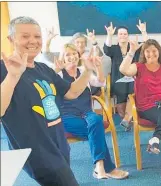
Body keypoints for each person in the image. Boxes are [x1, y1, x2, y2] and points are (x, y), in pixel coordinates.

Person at [0, 16, 96, 185]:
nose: (33, 41)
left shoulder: (43, 69)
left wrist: (88, 71)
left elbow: (71, 92)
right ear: (11, 39)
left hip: (58, 145)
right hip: (37, 152)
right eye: (25, 36)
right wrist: (13, 76)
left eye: (37, 37)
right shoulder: (4, 68)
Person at [55, 43, 129, 179]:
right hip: (67, 116)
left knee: (96, 120)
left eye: (74, 53)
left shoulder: (84, 70)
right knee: (96, 130)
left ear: (78, 55)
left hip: (86, 113)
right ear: (63, 58)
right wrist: (55, 71)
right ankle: (106, 168)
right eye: (68, 55)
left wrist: (98, 67)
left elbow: (100, 82)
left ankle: (100, 167)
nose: (72, 57)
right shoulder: (58, 74)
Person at [119, 36, 161, 174]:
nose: (151, 54)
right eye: (147, 51)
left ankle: (155, 138)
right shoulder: (138, 67)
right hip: (148, 105)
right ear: (143, 53)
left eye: (154, 51)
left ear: (159, 52)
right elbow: (123, 70)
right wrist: (131, 51)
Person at [103, 20, 148, 131]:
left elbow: (147, 45)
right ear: (117, 36)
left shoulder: (134, 47)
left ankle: (127, 119)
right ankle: (126, 119)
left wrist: (143, 32)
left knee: (133, 90)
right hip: (118, 80)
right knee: (121, 92)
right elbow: (106, 49)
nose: (123, 36)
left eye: (125, 34)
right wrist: (109, 34)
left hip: (133, 78)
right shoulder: (113, 49)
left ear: (128, 36)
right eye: (120, 34)